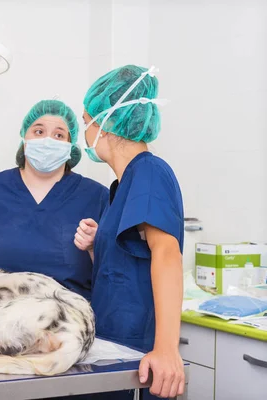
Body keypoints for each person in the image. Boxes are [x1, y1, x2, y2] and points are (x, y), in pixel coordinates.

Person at [76, 65, 185, 399]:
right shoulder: (122, 184)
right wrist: (99, 245)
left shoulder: (148, 172)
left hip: (139, 353)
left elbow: (167, 252)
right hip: (115, 343)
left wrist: (167, 349)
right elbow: (132, 259)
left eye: (85, 121)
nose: (85, 130)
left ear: (106, 122)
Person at [0, 100, 109, 301]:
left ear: (70, 145)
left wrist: (94, 247)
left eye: (59, 135)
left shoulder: (96, 197)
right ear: (24, 138)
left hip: (63, 321)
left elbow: (113, 267)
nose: (48, 141)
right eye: (38, 132)